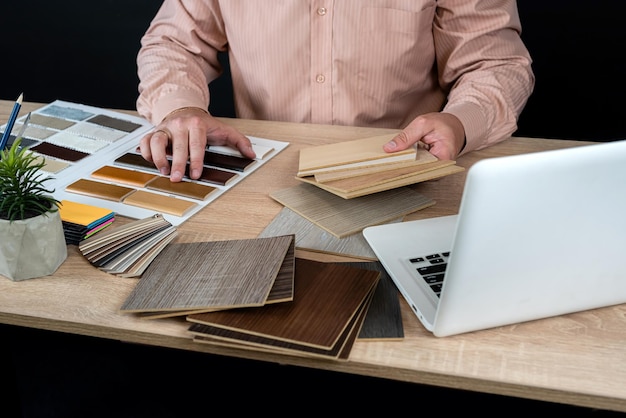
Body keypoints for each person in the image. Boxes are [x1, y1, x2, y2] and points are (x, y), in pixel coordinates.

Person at [136, 1, 534, 182]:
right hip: (262, 176)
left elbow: (496, 63)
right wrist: (180, 108)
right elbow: (172, 44)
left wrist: (460, 122)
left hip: (407, 175)